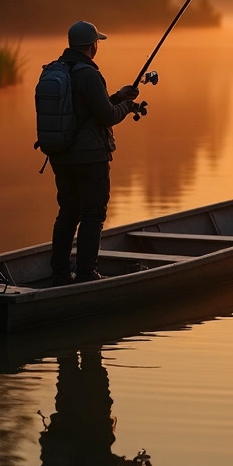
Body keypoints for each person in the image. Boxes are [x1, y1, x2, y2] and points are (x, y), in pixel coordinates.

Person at [48, 20, 138, 285]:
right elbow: (107, 116)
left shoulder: (58, 69)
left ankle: (61, 273)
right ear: (92, 46)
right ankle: (87, 273)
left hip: (61, 155)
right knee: (92, 214)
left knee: (67, 212)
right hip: (90, 158)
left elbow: (87, 112)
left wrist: (118, 96)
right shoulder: (88, 74)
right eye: (96, 42)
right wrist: (128, 106)